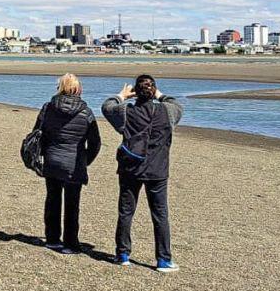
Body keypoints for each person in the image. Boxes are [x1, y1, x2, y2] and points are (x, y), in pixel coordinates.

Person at [102, 74, 184, 272]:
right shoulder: (167, 111)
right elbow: (177, 105)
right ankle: (163, 259)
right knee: (160, 214)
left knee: (126, 212)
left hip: (132, 169)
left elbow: (107, 107)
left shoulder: (126, 112)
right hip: (157, 170)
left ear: (136, 92)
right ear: (153, 91)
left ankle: (123, 254)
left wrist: (122, 96)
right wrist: (159, 94)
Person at [33, 74, 102, 253]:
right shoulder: (86, 112)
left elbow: (38, 133)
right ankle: (70, 243)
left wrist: (45, 152)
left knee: (53, 199)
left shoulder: (48, 108)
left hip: (53, 160)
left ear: (60, 87)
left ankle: (52, 238)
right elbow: (95, 142)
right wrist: (85, 160)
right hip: (74, 162)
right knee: (72, 204)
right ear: (78, 89)